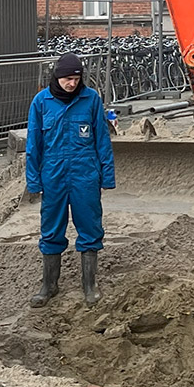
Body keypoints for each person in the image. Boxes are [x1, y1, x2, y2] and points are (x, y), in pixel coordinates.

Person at [25, 53, 116, 306]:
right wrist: (33, 180)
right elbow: (34, 144)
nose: (72, 84)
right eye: (67, 79)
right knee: (51, 229)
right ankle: (49, 286)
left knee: (90, 227)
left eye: (76, 79)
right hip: (53, 174)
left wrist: (107, 175)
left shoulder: (91, 100)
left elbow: (102, 140)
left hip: (85, 173)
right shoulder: (41, 102)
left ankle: (89, 286)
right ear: (56, 77)